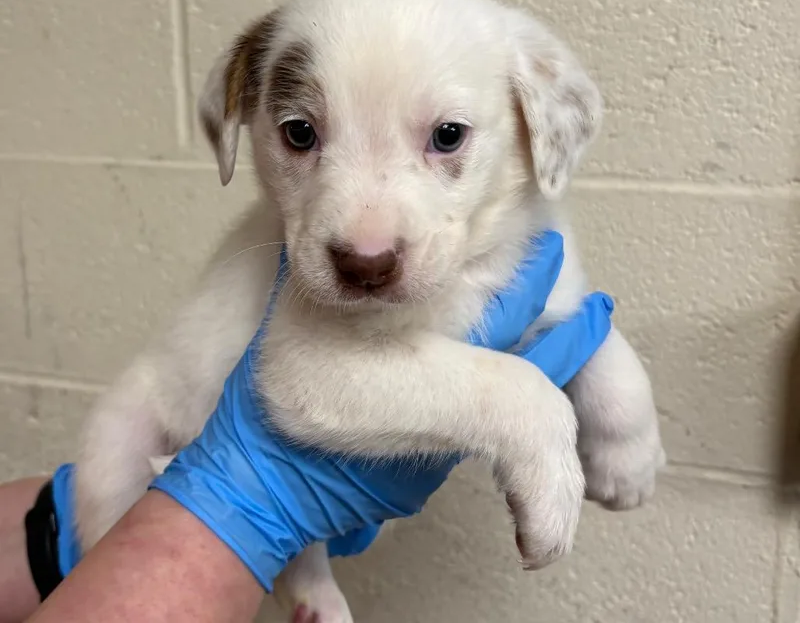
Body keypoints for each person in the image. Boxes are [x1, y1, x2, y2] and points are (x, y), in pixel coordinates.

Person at [1, 232, 613, 622]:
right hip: (167, 415)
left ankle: (297, 573)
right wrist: (151, 519)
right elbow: (311, 379)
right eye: (302, 135)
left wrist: (52, 536)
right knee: (119, 439)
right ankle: (299, 572)